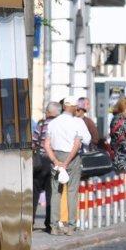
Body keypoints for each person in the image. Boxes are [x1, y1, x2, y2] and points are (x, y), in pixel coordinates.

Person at [43, 97, 91, 235]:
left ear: (63, 107)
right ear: (75, 107)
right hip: (72, 157)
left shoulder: (53, 123)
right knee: (72, 191)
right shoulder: (77, 122)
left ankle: (54, 226)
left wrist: (56, 161)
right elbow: (80, 143)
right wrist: (67, 161)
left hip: (56, 155)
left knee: (56, 192)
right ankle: (71, 226)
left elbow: (46, 144)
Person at [31, 101, 61, 231]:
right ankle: (49, 223)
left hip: (41, 161)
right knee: (51, 192)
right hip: (55, 161)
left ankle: (30, 221)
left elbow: (34, 142)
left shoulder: (42, 124)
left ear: (49, 112)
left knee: (35, 191)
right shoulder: (60, 124)